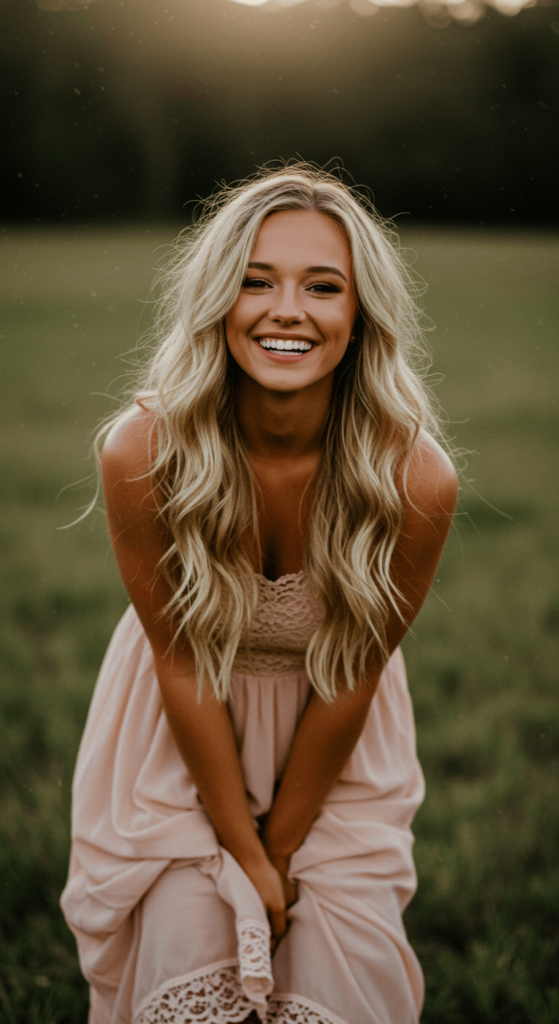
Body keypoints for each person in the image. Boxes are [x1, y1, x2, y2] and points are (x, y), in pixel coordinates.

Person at [61, 165, 457, 1024]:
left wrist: (280, 850)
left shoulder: (415, 477)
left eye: (322, 286)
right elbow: (179, 659)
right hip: (175, 736)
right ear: (217, 302)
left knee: (333, 977)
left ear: (358, 318)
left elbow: (351, 674)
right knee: (188, 954)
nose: (287, 309)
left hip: (336, 746)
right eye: (254, 281)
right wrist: (238, 848)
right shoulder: (143, 452)